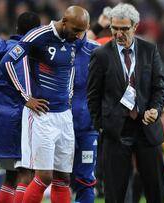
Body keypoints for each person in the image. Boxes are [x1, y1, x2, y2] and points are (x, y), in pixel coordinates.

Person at [0, 6, 89, 203]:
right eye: (76, 30)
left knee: (63, 178)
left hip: (64, 115)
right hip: (42, 116)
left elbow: (71, 67)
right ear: (64, 21)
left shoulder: (75, 39)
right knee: (43, 176)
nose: (79, 35)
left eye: (83, 31)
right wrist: (25, 97)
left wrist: (70, 95)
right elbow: (6, 63)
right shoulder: (38, 36)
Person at [87, 3, 164, 203]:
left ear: (135, 27)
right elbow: (93, 96)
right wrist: (102, 126)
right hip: (116, 132)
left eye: (124, 28)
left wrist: (155, 110)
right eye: (114, 28)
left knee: (155, 191)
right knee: (115, 195)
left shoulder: (149, 50)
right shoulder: (101, 55)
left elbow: (159, 87)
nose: (118, 33)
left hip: (146, 128)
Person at [0, 11, 40, 202]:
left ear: (16, 29)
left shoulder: (0, 49)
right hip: (22, 121)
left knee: (10, 176)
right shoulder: (31, 54)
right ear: (38, 31)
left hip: (0, 125)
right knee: (27, 174)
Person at [71, 35, 99, 203]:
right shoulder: (56, 48)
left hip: (88, 127)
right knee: (59, 178)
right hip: (61, 126)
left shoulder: (97, 51)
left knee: (86, 179)